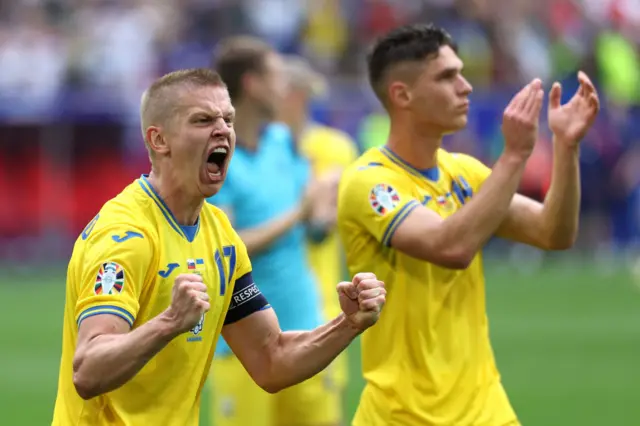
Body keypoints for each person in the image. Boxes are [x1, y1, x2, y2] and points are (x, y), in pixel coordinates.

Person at [51, 68, 386, 426]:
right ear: (159, 140)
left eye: (228, 119)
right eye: (202, 120)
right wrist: (169, 323)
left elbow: (270, 358)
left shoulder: (220, 235)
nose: (223, 129)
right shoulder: (125, 236)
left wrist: (348, 324)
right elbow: (87, 369)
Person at [337, 24, 600, 426]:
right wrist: (514, 156)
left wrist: (565, 146)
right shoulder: (370, 183)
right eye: (446, 77)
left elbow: (554, 233)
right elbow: (450, 248)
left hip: (486, 410)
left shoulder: (464, 173)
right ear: (402, 95)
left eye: (461, 73)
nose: (466, 87)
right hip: (404, 414)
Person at [206, 37, 343, 426]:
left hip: (306, 329)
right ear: (252, 84)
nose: (285, 88)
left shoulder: (283, 142)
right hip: (243, 343)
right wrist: (299, 214)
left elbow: (311, 228)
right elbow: (228, 247)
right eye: (277, 78)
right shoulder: (218, 156)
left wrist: (323, 213)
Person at [278, 54, 359, 411]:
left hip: (318, 309)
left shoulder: (332, 147)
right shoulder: (250, 151)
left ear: (293, 95)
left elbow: (320, 227)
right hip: (257, 312)